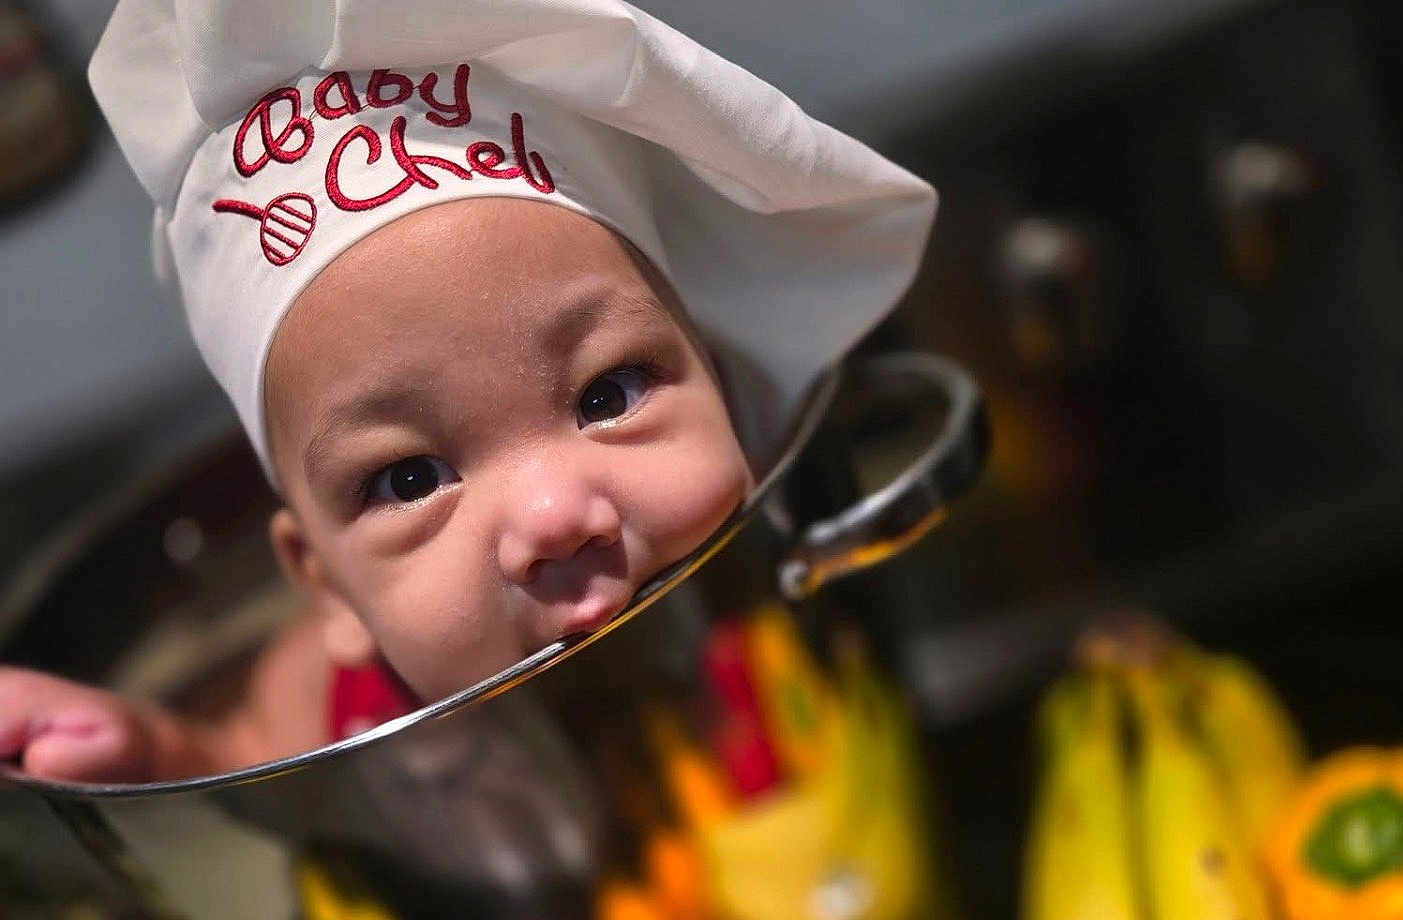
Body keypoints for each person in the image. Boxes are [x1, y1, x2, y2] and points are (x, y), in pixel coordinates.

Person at [0, 0, 936, 784]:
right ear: (330, 587)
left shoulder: (791, 549)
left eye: (610, 395)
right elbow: (242, 760)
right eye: (407, 480)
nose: (554, 516)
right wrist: (151, 749)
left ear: (723, 385)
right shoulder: (347, 701)